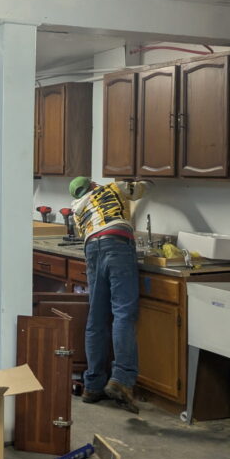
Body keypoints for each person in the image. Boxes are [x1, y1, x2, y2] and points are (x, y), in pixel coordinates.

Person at [69, 176, 151, 414]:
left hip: (92, 246)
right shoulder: (112, 187)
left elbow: (85, 231)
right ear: (93, 184)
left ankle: (92, 385)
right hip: (118, 240)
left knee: (96, 317)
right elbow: (140, 188)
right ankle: (122, 380)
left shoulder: (78, 209)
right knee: (123, 313)